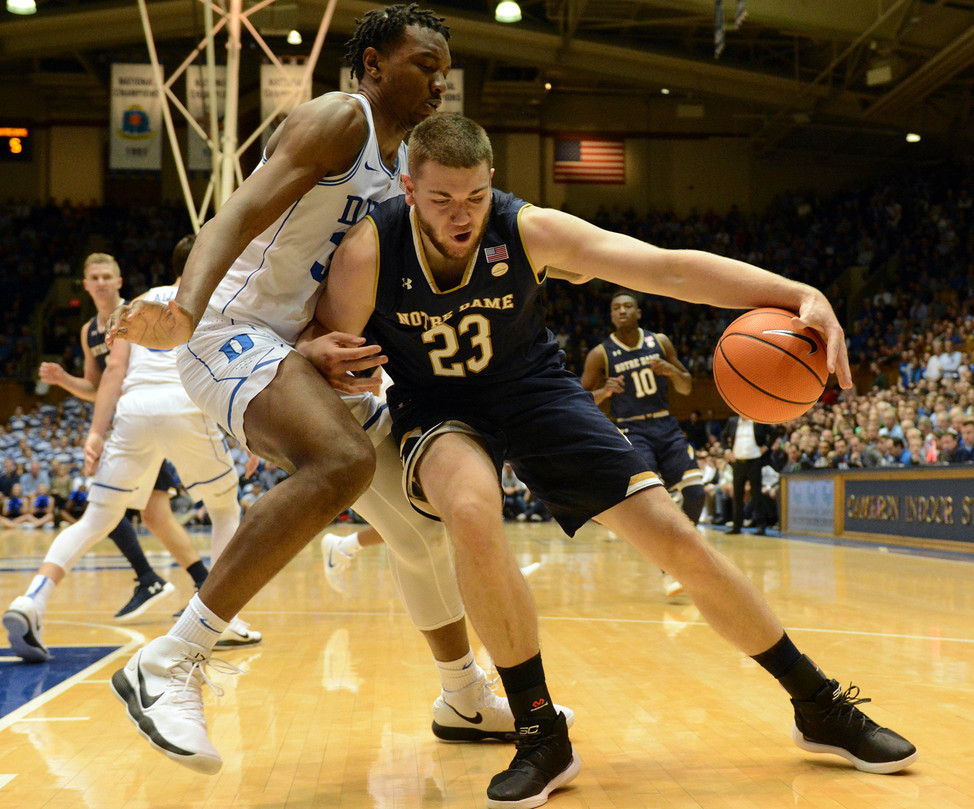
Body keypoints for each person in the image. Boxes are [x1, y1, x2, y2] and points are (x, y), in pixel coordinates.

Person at [310, 113, 916, 807]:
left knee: (677, 539)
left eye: (475, 197)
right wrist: (313, 349)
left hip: (535, 390)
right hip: (438, 405)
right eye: (443, 199)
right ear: (409, 188)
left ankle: (818, 705)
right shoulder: (369, 251)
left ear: (492, 182)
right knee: (472, 511)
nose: (462, 215)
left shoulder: (526, 228)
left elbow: (665, 267)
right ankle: (542, 733)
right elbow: (319, 340)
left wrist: (797, 293)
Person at [105, 4, 569, 777]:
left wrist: (318, 341)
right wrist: (185, 307)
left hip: (293, 347)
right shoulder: (339, 119)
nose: (439, 83)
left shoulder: (403, 168)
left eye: (446, 72)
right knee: (341, 461)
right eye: (424, 65)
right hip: (228, 328)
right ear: (375, 64)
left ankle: (462, 694)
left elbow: (345, 285)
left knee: (420, 526)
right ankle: (171, 659)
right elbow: (236, 213)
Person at [3, 258, 244, 665]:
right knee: (224, 508)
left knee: (97, 519)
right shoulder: (207, 298)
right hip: (181, 404)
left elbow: (115, 371)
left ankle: (32, 600)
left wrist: (96, 432)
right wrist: (248, 434)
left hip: (133, 410)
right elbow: (226, 367)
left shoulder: (139, 302)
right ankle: (219, 620)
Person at [38, 251, 210, 620]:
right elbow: (98, 386)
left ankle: (153, 579)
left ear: (119, 282)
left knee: (109, 505)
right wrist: (63, 379)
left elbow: (121, 372)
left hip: (147, 417)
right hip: (131, 424)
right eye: (94, 277)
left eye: (107, 277)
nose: (101, 282)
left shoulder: (137, 312)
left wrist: (96, 432)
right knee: (154, 515)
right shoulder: (89, 331)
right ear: (85, 285)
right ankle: (200, 584)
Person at [581, 289, 703, 595]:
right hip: (631, 429)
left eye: (628, 306)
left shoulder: (659, 342)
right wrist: (604, 392)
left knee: (697, 493)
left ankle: (678, 555)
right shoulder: (601, 353)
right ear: (611, 315)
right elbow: (579, 400)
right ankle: (670, 567)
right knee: (652, 501)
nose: (622, 311)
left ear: (638, 313)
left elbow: (687, 388)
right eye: (616, 307)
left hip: (666, 425)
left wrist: (671, 371)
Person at [722, 415, 774, 534]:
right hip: (738, 462)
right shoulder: (732, 421)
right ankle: (736, 526)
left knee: (756, 494)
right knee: (737, 495)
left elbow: (774, 432)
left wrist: (766, 446)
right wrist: (727, 450)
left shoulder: (758, 421)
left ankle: (761, 526)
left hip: (754, 461)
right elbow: (723, 436)